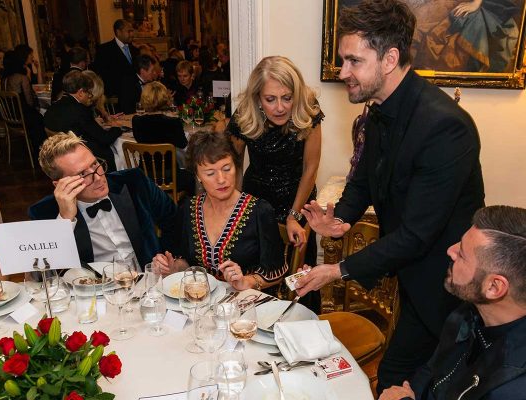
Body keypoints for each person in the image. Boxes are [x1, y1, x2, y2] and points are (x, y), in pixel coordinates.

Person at [295, 0, 485, 392]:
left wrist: (337, 270)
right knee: (394, 377)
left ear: (389, 58)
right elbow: (364, 179)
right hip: (414, 280)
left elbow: (417, 234)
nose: (342, 71)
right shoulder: (378, 110)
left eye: (353, 61)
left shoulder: (445, 127)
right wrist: (340, 218)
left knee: (418, 383)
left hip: (447, 290)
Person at [380, 205, 526, 400]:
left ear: (494, 287)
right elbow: (431, 373)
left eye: (462, 254)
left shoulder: (511, 388)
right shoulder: (465, 315)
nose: (450, 250)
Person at [225, 55, 323, 312]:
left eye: (287, 98)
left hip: (298, 199)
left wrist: (294, 215)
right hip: (257, 202)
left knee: (299, 276)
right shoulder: (244, 116)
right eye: (270, 99)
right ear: (258, 98)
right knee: (257, 270)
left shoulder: (308, 108)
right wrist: (230, 206)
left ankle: (299, 331)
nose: (280, 107)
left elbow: (310, 167)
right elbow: (232, 164)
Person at [153, 131, 286, 293]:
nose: (221, 179)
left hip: (246, 305)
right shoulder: (188, 208)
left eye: (227, 168)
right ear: (198, 176)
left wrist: (247, 281)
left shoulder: (260, 211)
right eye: (210, 173)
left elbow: (276, 272)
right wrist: (173, 267)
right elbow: (187, 262)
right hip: (202, 301)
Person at [28, 133, 177, 267]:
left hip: (149, 280)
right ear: (60, 185)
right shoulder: (44, 213)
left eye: (94, 164)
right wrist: (65, 220)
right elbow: (46, 273)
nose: (98, 177)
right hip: (97, 291)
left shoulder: (134, 182)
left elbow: (174, 220)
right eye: (82, 174)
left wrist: (166, 257)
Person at [44, 70, 123, 172]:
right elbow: (105, 138)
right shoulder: (80, 110)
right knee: (122, 155)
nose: (90, 97)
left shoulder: (53, 106)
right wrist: (117, 127)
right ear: (81, 93)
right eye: (89, 93)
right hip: (88, 158)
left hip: (61, 156)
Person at [131, 81, 195, 196]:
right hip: (170, 176)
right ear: (165, 99)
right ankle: (187, 210)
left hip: (145, 175)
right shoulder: (173, 123)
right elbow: (183, 144)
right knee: (192, 177)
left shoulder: (136, 121)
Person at [1, 50, 46, 154]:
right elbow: (29, 102)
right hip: (23, 115)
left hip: (11, 115)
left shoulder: (4, 79)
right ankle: (44, 151)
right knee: (43, 116)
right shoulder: (21, 78)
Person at [93, 19, 139, 98]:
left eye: (132, 31)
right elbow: (102, 74)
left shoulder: (135, 50)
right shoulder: (105, 50)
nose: (132, 34)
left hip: (135, 95)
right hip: (116, 97)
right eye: (129, 31)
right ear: (118, 32)